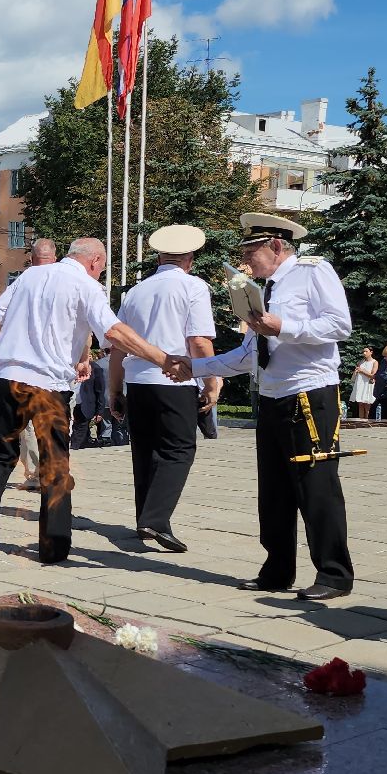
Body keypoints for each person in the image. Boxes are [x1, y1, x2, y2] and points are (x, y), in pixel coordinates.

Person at [167, 213, 354, 601]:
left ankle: (334, 574)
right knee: (273, 491)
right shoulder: (260, 288)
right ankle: (277, 570)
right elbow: (248, 355)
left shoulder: (313, 271)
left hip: (309, 394)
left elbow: (340, 325)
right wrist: (194, 368)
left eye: (251, 251)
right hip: (270, 397)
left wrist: (283, 327)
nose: (246, 261)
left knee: (316, 486)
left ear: (276, 246)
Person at [0, 237, 175, 564]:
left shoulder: (30, 276)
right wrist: (162, 358)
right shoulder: (87, 287)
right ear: (95, 261)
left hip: (9, 379)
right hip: (48, 386)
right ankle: (54, 544)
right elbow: (113, 333)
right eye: (102, 267)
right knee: (54, 465)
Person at [110, 223, 217, 552]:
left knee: (144, 453)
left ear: (159, 256)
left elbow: (118, 347)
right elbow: (198, 341)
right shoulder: (193, 287)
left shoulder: (136, 292)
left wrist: (113, 391)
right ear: (190, 258)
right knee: (178, 450)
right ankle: (155, 520)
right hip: (175, 380)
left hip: (138, 382)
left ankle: (146, 520)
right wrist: (212, 381)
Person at [349, 346, 377, 419]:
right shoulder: (361, 362)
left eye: (366, 351)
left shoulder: (374, 362)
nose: (364, 353)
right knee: (360, 403)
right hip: (360, 383)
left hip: (368, 384)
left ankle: (367, 420)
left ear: (371, 352)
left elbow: (373, 375)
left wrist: (362, 371)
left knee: (367, 403)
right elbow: (357, 372)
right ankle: (360, 421)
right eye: (363, 352)